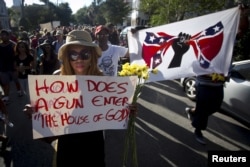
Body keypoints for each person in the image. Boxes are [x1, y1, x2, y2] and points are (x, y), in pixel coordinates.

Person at [185, 73, 226, 145]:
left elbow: (227, 70)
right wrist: (209, 74)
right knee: (203, 109)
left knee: (216, 107)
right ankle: (198, 131)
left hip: (218, 85)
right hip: (204, 84)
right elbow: (196, 67)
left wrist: (225, 76)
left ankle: (191, 111)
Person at [0, 29, 23, 103]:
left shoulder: (13, 45)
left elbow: (17, 55)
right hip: (3, 67)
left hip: (13, 67)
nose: (2, 36)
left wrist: (17, 66)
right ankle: (6, 97)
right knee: (5, 83)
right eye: (1, 35)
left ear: (8, 36)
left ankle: (19, 90)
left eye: (4, 35)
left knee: (16, 80)